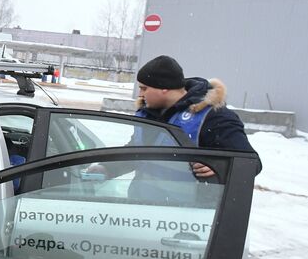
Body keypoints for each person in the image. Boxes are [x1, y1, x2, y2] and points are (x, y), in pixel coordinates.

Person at [89, 54, 261, 184]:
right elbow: (136, 152)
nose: (140, 94)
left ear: (163, 88)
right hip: (139, 211)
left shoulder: (213, 116)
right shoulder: (148, 112)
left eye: (144, 88)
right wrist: (107, 169)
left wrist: (219, 167)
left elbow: (249, 163)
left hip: (185, 219)